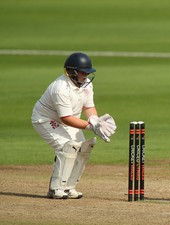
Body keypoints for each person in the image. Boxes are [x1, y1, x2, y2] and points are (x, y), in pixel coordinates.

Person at [31, 52, 117, 199]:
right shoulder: (60, 88)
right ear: (72, 71)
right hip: (45, 120)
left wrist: (95, 120)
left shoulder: (86, 85)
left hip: (70, 119)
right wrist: (90, 127)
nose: (86, 76)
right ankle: (55, 188)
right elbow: (65, 118)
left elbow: (88, 107)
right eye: (83, 73)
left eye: (87, 73)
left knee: (84, 147)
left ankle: (69, 187)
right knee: (68, 147)